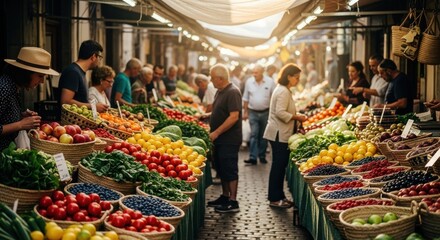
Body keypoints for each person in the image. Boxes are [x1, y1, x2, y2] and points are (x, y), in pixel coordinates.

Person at [263, 63, 307, 208]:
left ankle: (279, 196)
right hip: (278, 134)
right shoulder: (282, 91)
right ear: (288, 76)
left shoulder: (284, 90)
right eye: (296, 77)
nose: (298, 80)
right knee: (278, 166)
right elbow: (280, 112)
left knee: (280, 166)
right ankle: (275, 198)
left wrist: (295, 116)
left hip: (280, 133)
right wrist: (297, 118)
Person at [1, 47, 59, 150]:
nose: (42, 81)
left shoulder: (14, 86)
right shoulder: (4, 87)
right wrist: (21, 124)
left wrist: (21, 116)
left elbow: (4, 116)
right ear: (26, 73)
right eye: (40, 76)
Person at [207, 63, 242, 213]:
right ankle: (224, 195)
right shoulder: (220, 91)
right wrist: (208, 116)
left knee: (229, 169)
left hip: (229, 139)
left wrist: (217, 132)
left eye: (212, 78)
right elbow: (220, 111)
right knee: (221, 168)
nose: (211, 80)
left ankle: (233, 201)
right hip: (220, 139)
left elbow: (234, 117)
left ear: (220, 78)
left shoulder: (233, 92)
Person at [58, 40, 108, 113]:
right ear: (93, 57)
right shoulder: (73, 72)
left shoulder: (80, 72)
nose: (100, 61)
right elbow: (65, 101)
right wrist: (93, 106)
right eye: (99, 58)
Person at [242, 65, 275, 165]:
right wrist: (245, 112)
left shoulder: (270, 82)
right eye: (253, 72)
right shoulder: (249, 82)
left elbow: (274, 98)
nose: (254, 74)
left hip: (266, 112)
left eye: (256, 72)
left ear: (262, 72)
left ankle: (262, 156)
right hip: (253, 112)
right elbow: (246, 98)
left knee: (263, 136)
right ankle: (253, 157)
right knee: (254, 134)